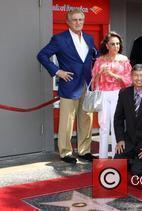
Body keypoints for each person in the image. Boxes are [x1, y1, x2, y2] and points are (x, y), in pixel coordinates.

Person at [37, 9, 97, 164]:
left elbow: (93, 58)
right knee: (67, 121)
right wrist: (58, 71)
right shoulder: (59, 39)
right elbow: (42, 55)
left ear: (83, 21)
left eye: (80, 19)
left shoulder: (89, 39)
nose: (78, 23)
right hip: (69, 85)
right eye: (74, 20)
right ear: (68, 22)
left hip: (87, 84)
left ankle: (84, 151)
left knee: (86, 119)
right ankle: (65, 152)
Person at [92, 31, 132, 159]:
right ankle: (102, 158)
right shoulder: (99, 60)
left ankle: (117, 156)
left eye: (118, 44)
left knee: (116, 126)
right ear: (107, 46)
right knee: (104, 126)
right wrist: (100, 73)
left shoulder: (124, 60)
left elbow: (130, 79)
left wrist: (113, 75)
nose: (116, 46)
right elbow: (93, 79)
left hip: (118, 94)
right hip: (103, 93)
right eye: (113, 44)